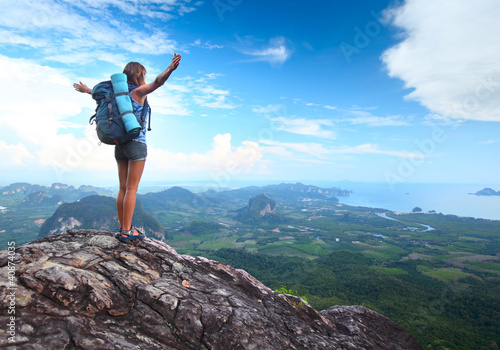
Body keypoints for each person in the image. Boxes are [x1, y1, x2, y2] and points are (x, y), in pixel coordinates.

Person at [74, 53, 181, 241]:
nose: (145, 78)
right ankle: (127, 231)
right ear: (138, 76)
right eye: (143, 75)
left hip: (120, 145)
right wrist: (170, 69)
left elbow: (94, 93)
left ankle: (123, 228)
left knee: (122, 188)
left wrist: (84, 89)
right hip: (136, 144)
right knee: (132, 188)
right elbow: (157, 82)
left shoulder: (116, 94)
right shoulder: (138, 92)